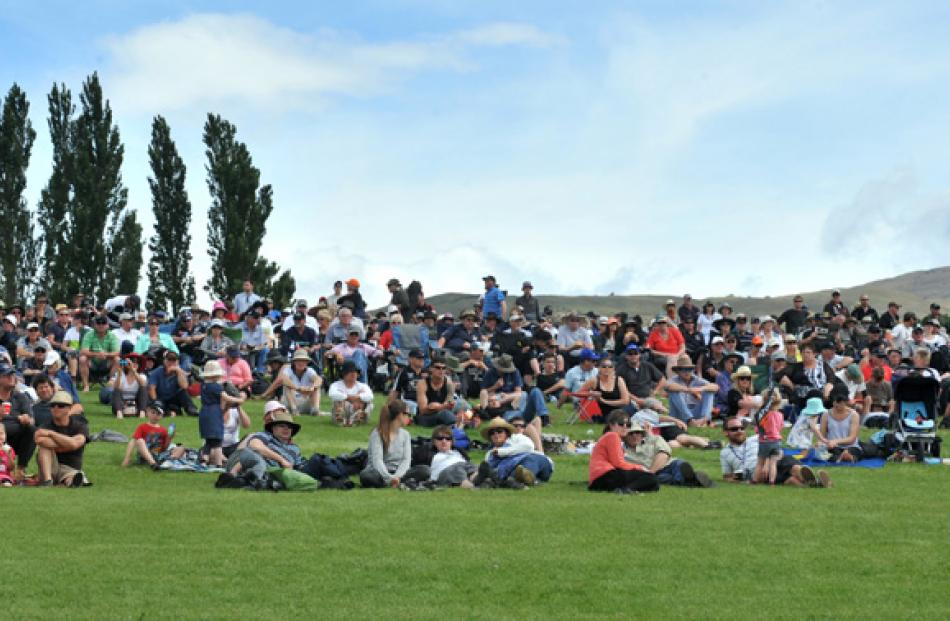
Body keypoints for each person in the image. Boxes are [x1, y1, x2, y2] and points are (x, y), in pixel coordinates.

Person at [720, 416, 831, 487]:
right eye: (734, 429)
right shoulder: (725, 453)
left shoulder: (757, 438)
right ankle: (818, 485)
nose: (739, 431)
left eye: (741, 428)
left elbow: (776, 448)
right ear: (725, 432)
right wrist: (736, 480)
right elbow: (727, 476)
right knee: (790, 481)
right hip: (759, 474)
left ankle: (815, 481)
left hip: (775, 460)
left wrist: (767, 463)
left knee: (795, 469)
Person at [221, 402, 304, 485]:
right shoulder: (265, 436)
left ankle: (245, 480)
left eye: (289, 427)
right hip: (241, 460)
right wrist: (282, 460)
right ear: (273, 428)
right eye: (282, 426)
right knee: (256, 455)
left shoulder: (295, 448)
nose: (286, 429)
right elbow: (255, 446)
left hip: (271, 472)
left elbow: (298, 467)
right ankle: (236, 476)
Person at [622, 421, 713, 487]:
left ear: (642, 434)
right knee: (664, 477)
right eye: (631, 433)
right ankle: (694, 480)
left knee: (679, 464)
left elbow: (664, 454)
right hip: (650, 473)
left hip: (667, 465)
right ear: (625, 436)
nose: (634, 435)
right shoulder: (622, 450)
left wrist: (651, 473)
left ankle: (688, 480)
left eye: (637, 432)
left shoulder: (654, 439)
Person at [360, 400, 428, 488]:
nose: (410, 418)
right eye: (408, 414)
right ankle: (390, 483)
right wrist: (389, 478)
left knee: (425, 470)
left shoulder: (405, 435)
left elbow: (406, 460)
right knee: (366, 475)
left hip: (399, 473)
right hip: (379, 473)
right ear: (400, 415)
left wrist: (397, 476)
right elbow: (377, 461)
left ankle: (396, 482)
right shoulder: (377, 434)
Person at [588, 410, 660, 493]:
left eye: (628, 424)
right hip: (604, 476)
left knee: (653, 483)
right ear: (611, 425)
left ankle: (626, 489)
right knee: (651, 478)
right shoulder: (612, 435)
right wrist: (640, 468)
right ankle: (626, 490)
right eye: (621, 424)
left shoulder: (610, 437)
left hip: (601, 479)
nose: (625, 427)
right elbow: (618, 463)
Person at [34, 391, 89, 487]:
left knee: (72, 477)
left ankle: (70, 482)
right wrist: (67, 444)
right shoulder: (44, 426)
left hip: (70, 468)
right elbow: (40, 440)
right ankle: (48, 481)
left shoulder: (80, 426)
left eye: (60, 405)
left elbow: (75, 444)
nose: (56, 408)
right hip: (50, 467)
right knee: (44, 447)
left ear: (69, 408)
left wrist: (51, 434)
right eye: (53, 405)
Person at [480, 417, 553, 487]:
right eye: (492, 433)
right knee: (509, 474)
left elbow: (528, 446)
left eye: (499, 431)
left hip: (538, 463)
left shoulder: (517, 438)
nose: (496, 435)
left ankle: (519, 478)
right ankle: (529, 481)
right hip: (513, 470)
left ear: (506, 433)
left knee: (527, 462)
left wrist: (501, 452)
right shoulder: (490, 454)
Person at [198, 360, 245, 467]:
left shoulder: (203, 386)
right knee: (217, 440)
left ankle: (203, 460)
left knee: (209, 439)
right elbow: (226, 397)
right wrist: (239, 400)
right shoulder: (216, 387)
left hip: (204, 412)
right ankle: (219, 464)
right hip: (213, 413)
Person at [121, 401, 185, 468]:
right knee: (139, 440)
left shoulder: (163, 430)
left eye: (158, 414)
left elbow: (165, 448)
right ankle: (153, 464)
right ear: (147, 412)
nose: (155, 415)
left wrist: (169, 438)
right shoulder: (142, 427)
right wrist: (127, 458)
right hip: (145, 455)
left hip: (158, 454)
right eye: (153, 412)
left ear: (162, 416)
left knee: (181, 448)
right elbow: (133, 441)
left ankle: (169, 461)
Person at [0, 363, 35, 479]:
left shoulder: (20, 397)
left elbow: (31, 420)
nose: (12, 378)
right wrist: (17, 418)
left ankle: (20, 469)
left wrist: (27, 419)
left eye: (13, 375)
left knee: (31, 429)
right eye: (7, 375)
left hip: (15, 440)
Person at [665, 354, 718, 426]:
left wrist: (700, 389)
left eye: (689, 369)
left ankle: (704, 419)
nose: (687, 372)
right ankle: (689, 420)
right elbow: (668, 386)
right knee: (674, 391)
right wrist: (688, 390)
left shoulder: (696, 379)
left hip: (695, 411)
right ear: (678, 371)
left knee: (709, 391)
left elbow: (715, 387)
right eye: (684, 369)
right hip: (678, 414)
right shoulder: (673, 379)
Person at [579, 356, 630, 423]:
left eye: (610, 366)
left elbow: (625, 401)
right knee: (610, 419)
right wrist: (591, 394)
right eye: (604, 366)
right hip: (605, 413)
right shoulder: (594, 381)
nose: (607, 368)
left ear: (613, 369)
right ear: (599, 368)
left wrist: (604, 401)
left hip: (621, 410)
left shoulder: (619, 380)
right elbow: (579, 393)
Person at [147, 350, 197, 416]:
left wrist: (178, 371)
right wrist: (156, 402)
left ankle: (192, 410)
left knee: (183, 392)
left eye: (174, 360)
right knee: (158, 407)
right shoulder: (157, 372)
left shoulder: (180, 371)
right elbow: (151, 388)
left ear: (178, 362)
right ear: (164, 361)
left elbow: (184, 386)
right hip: (161, 399)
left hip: (174, 398)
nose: (171, 363)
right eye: (169, 360)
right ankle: (170, 412)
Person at [821, 387, 862, 462]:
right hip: (833, 447)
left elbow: (852, 439)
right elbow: (822, 436)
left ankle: (846, 456)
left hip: (851, 446)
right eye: (835, 402)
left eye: (839, 403)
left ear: (845, 402)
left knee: (854, 451)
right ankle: (842, 456)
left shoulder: (854, 415)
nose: (836, 405)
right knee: (830, 453)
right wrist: (822, 443)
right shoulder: (826, 414)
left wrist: (835, 441)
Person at [79, 315, 119, 391]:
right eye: (98, 323)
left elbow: (116, 352)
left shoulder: (112, 335)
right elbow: (83, 351)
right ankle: (86, 386)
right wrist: (97, 354)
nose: (101, 325)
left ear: (107, 325)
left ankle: (111, 384)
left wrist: (106, 354)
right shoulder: (89, 334)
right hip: (92, 363)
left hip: (107, 362)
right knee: (82, 359)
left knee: (117, 359)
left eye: (103, 323)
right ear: (94, 325)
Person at [328, 360, 374, 426]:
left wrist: (358, 397)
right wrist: (348, 398)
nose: (353, 374)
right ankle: (340, 419)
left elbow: (370, 396)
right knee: (338, 401)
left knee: (368, 403)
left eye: (355, 372)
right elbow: (332, 395)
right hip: (344, 408)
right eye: (350, 372)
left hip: (357, 408)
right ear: (344, 373)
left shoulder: (363, 385)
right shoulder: (335, 385)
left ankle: (358, 417)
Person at [753, 388, 784, 485]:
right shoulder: (780, 415)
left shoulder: (762, 415)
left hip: (764, 441)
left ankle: (754, 480)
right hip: (776, 441)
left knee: (760, 463)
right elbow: (780, 428)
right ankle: (771, 481)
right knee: (773, 463)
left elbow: (758, 429)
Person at [281, 349, 323, 415]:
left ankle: (315, 409)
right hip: (290, 403)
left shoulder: (310, 370)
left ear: (307, 362)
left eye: (303, 361)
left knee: (317, 388)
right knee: (287, 387)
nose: (301, 363)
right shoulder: (288, 370)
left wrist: (312, 387)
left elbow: (318, 379)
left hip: (305, 401)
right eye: (298, 360)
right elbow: (284, 379)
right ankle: (294, 410)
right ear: (294, 362)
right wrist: (298, 389)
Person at [111, 353, 148, 419]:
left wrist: (133, 370)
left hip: (136, 403)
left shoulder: (142, 376)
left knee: (143, 388)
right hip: (122, 403)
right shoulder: (121, 374)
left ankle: (142, 412)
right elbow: (116, 387)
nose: (134, 364)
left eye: (137, 362)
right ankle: (119, 412)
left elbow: (143, 383)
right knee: (116, 389)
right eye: (132, 362)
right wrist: (119, 374)